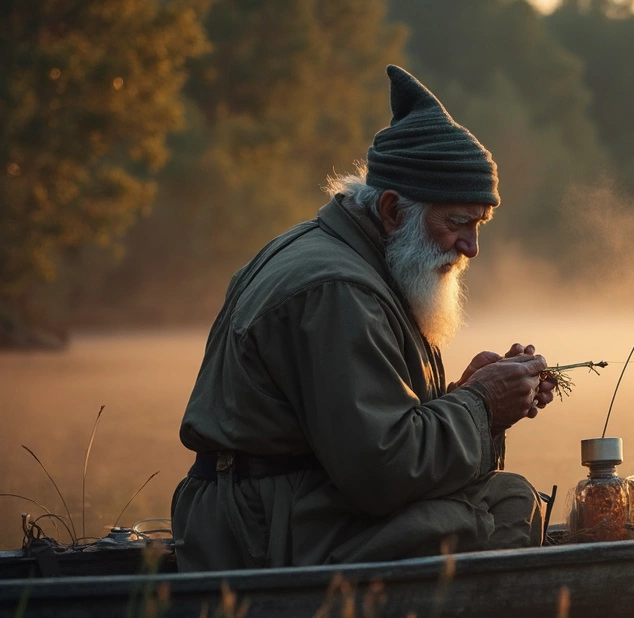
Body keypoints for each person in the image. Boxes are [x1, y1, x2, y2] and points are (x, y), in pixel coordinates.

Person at [170, 65, 555, 571]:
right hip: (263, 532)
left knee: (500, 498)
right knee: (504, 507)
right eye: (458, 222)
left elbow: (359, 430)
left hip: (279, 510)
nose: (472, 247)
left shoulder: (351, 259)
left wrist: (465, 391)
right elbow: (382, 472)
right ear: (393, 210)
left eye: (479, 225)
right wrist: (482, 407)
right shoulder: (338, 290)